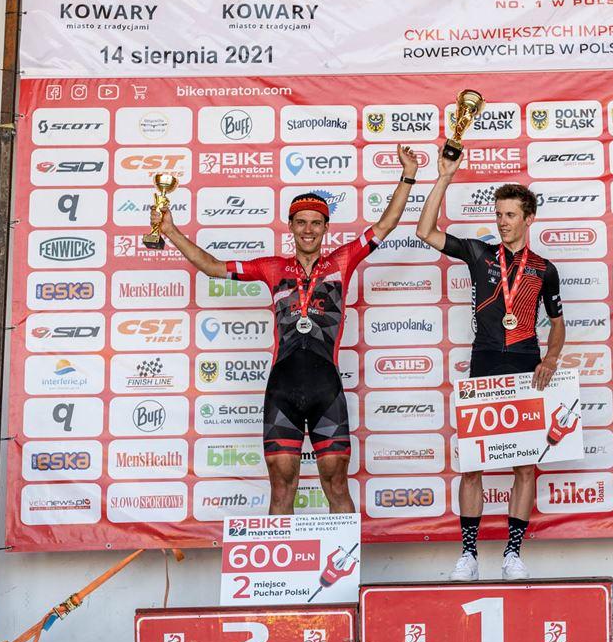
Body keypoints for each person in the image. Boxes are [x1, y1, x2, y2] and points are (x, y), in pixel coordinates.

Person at [149, 146, 418, 514]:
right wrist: (170, 231)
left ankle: (344, 555)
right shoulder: (272, 268)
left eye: (316, 223)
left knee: (336, 485)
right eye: (301, 222)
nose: (308, 230)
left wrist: (408, 175)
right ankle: (282, 556)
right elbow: (213, 266)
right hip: (282, 391)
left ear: (326, 227)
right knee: (280, 488)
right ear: (290, 226)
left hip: (326, 390)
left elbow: (385, 225)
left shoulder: (341, 261)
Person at [416, 150, 565, 580]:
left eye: (511, 215)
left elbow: (557, 324)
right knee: (472, 464)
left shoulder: (544, 269)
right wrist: (444, 177)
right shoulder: (479, 253)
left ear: (529, 218)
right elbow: (425, 231)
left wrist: (551, 357)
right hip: (483, 364)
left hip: (525, 365)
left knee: (525, 466)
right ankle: (469, 556)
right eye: (498, 214)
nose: (502, 221)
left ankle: (512, 555)